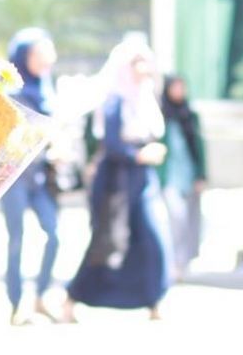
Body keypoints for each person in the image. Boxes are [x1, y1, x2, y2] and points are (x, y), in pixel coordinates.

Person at [62, 37, 171, 321]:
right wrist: (139, 155)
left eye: (145, 61)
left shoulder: (146, 96)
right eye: (136, 62)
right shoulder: (114, 101)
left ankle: (153, 300)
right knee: (107, 241)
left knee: (151, 238)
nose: (142, 68)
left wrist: (149, 155)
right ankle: (72, 297)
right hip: (116, 182)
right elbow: (111, 143)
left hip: (142, 180)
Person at [0, 27, 60, 324]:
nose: (46, 59)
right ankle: (16, 303)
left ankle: (41, 296)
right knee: (17, 240)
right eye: (38, 53)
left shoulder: (48, 88)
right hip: (14, 178)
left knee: (54, 234)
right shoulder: (12, 93)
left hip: (41, 177)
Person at [159, 75, 207, 279]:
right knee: (175, 218)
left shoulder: (190, 115)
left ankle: (183, 261)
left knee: (190, 220)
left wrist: (201, 175)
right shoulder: (161, 114)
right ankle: (172, 260)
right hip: (169, 176)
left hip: (188, 174)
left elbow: (199, 147)